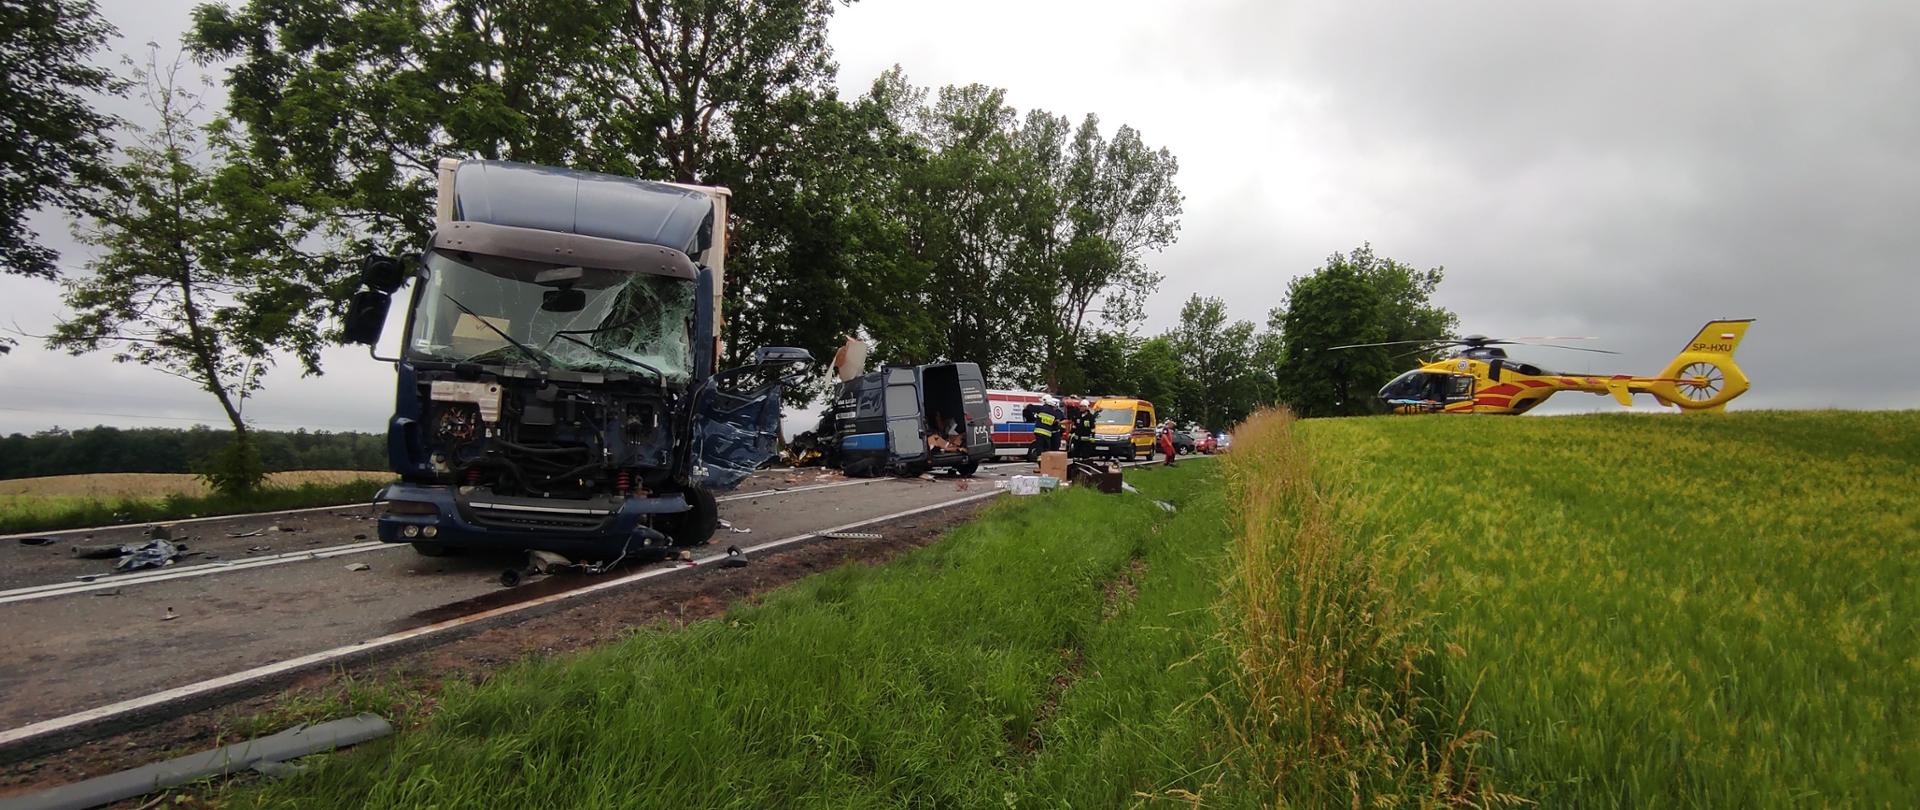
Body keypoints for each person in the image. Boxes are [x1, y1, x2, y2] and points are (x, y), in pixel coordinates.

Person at [1026, 395, 1064, 462]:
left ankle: (1041, 465)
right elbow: (1055, 423)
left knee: (1040, 449)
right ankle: (1047, 465)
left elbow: (1029, 407)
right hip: (1048, 434)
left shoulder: (1041, 408)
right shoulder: (1054, 413)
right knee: (1047, 450)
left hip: (1039, 433)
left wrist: (1027, 406)